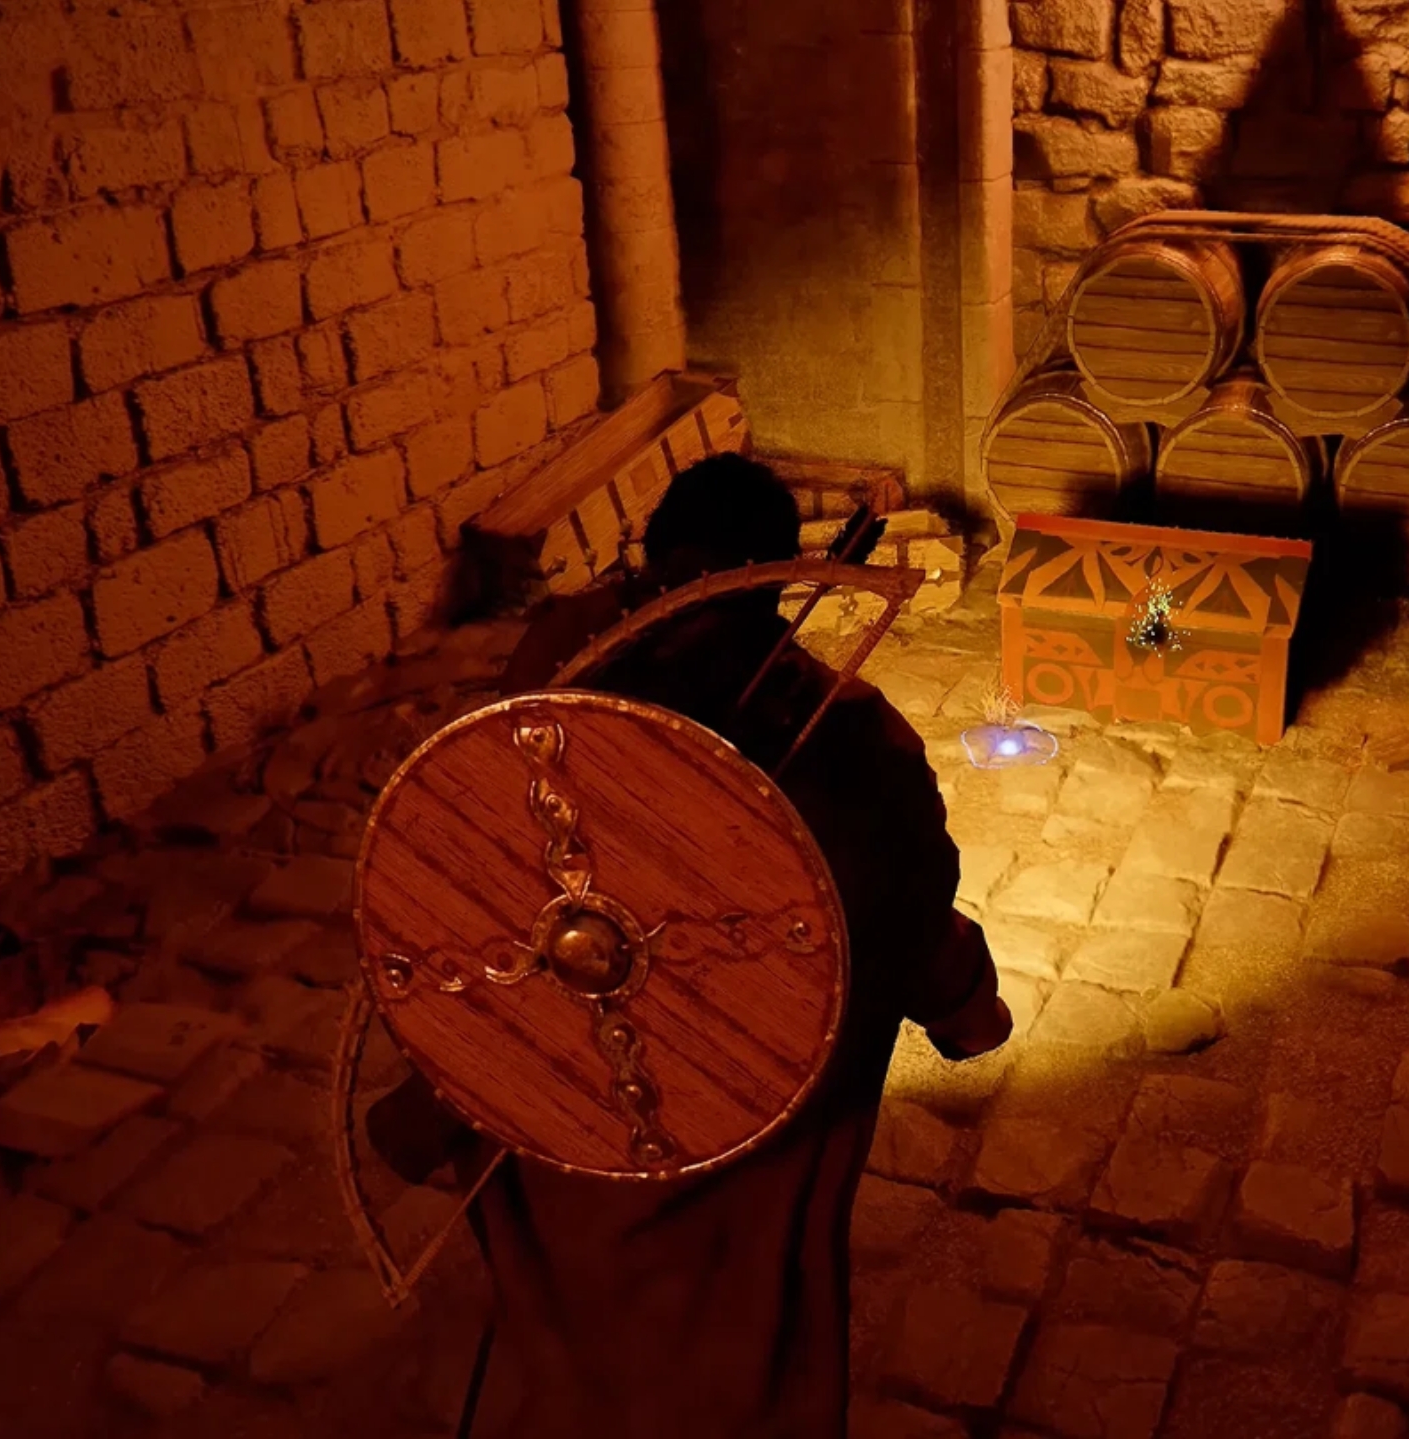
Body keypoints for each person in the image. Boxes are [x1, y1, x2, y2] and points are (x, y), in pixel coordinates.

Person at [369, 453, 1012, 1438]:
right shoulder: (579, 688)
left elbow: (893, 895)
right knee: (719, 1359)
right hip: (684, 1128)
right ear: (777, 577)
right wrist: (967, 1007)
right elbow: (910, 913)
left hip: (666, 1104)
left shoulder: (575, 670)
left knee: (597, 1341)